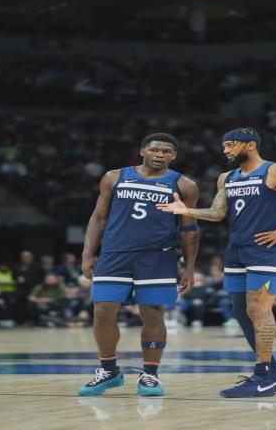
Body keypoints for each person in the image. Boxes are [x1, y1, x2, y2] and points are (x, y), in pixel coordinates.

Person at [157, 127, 276, 397]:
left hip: (267, 249)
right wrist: (187, 210)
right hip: (236, 249)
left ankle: (262, 377)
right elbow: (218, 213)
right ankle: (274, 375)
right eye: (224, 145)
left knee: (258, 309)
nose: (225, 150)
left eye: (231, 144)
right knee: (241, 311)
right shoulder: (226, 178)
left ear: (250, 145)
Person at [78, 133, 199, 397]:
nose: (160, 155)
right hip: (114, 255)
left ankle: (150, 375)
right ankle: (109, 371)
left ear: (173, 156)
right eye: (155, 150)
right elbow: (98, 218)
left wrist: (189, 267)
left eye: (166, 151)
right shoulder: (114, 177)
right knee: (102, 310)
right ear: (142, 151)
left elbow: (189, 229)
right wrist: (87, 254)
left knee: (153, 313)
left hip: (158, 257)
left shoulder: (184, 185)